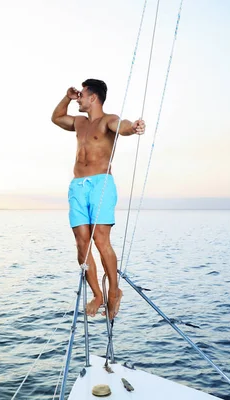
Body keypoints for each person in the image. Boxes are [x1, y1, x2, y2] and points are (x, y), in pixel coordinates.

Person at [51, 79, 145, 320]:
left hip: (101, 184)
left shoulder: (108, 120)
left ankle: (114, 292)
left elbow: (121, 126)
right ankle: (97, 295)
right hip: (77, 185)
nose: (79, 97)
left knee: (101, 240)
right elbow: (57, 117)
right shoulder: (79, 122)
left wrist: (133, 127)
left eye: (82, 94)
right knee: (82, 243)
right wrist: (67, 97)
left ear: (93, 98)